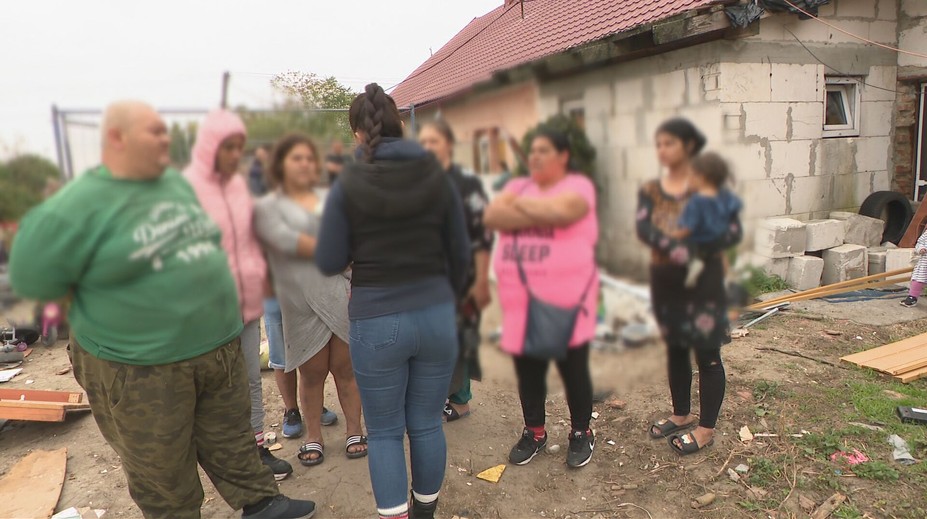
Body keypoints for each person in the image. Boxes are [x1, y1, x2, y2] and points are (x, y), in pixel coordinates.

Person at [9, 100, 315, 519]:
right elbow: (33, 278)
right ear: (116, 139)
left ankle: (260, 502)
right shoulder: (77, 203)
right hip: (142, 368)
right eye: (153, 132)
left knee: (230, 438)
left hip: (216, 349)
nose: (165, 139)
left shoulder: (175, 184)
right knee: (162, 468)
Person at [316, 83, 470, 519]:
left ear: (358, 135)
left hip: (378, 319)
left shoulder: (349, 181)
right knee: (425, 423)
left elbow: (328, 259)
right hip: (437, 315)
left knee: (384, 433)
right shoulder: (438, 173)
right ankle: (425, 514)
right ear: (400, 124)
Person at [182, 109, 292, 481]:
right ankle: (221, 461)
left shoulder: (239, 186)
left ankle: (257, 450)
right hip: (210, 314)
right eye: (227, 146)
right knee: (214, 392)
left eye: (238, 147)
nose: (234, 154)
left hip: (246, 307)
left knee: (249, 382)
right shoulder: (186, 190)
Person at [484, 128, 599, 469]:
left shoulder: (579, 187)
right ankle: (534, 430)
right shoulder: (518, 187)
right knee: (529, 368)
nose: (534, 158)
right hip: (521, 299)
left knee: (573, 367)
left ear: (563, 156)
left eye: (544, 151)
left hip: (567, 299)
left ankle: (581, 432)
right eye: (531, 151)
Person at [254, 133, 367, 467]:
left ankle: (354, 430)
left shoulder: (335, 196)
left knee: (346, 369)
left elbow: (352, 242)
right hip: (298, 298)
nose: (303, 164)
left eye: (308, 158)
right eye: (295, 159)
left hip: (337, 291)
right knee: (312, 372)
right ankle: (314, 436)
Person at [636, 118, 742, 456]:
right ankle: (681, 413)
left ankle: (706, 428)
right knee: (676, 351)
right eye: (660, 144)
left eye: (670, 143)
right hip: (667, 284)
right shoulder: (652, 190)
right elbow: (643, 230)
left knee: (707, 356)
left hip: (703, 286)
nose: (663, 151)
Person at [418, 119, 493, 422]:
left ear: (449, 144)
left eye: (433, 141)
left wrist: (481, 280)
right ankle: (439, 394)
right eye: (423, 142)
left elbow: (483, 234)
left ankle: (460, 400)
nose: (427, 148)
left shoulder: (466, 183)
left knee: (459, 336)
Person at [669, 152, 742, 288]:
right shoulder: (724, 196)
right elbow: (733, 210)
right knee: (720, 254)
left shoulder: (697, 202)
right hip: (719, 239)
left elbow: (688, 228)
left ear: (701, 178)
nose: (688, 180)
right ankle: (726, 279)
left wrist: (672, 235)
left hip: (700, 242)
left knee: (684, 252)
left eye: (690, 176)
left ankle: (694, 266)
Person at [901, 228, 927, 307]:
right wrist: (921, 249)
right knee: (918, 279)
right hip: (925, 261)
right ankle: (912, 297)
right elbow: (920, 242)